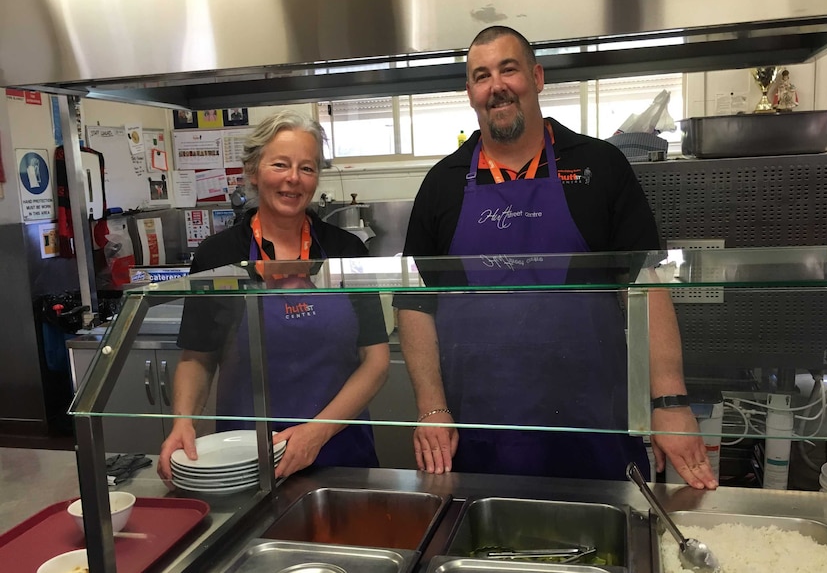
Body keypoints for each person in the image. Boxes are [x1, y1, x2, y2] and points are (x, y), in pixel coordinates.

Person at [395, 26, 718, 490]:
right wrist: (431, 407)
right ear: (469, 92)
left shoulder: (602, 166)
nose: (497, 86)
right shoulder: (441, 184)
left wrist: (669, 402)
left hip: (593, 424)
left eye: (509, 69)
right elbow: (415, 303)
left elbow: (645, 286)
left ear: (537, 76)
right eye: (481, 76)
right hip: (479, 430)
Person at [157, 111, 390, 482]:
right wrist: (183, 423)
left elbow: (376, 359)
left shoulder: (346, 249)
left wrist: (317, 433)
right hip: (247, 457)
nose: (293, 179)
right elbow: (198, 358)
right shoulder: (218, 256)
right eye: (280, 164)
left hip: (342, 451)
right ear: (253, 171)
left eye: (307, 168)